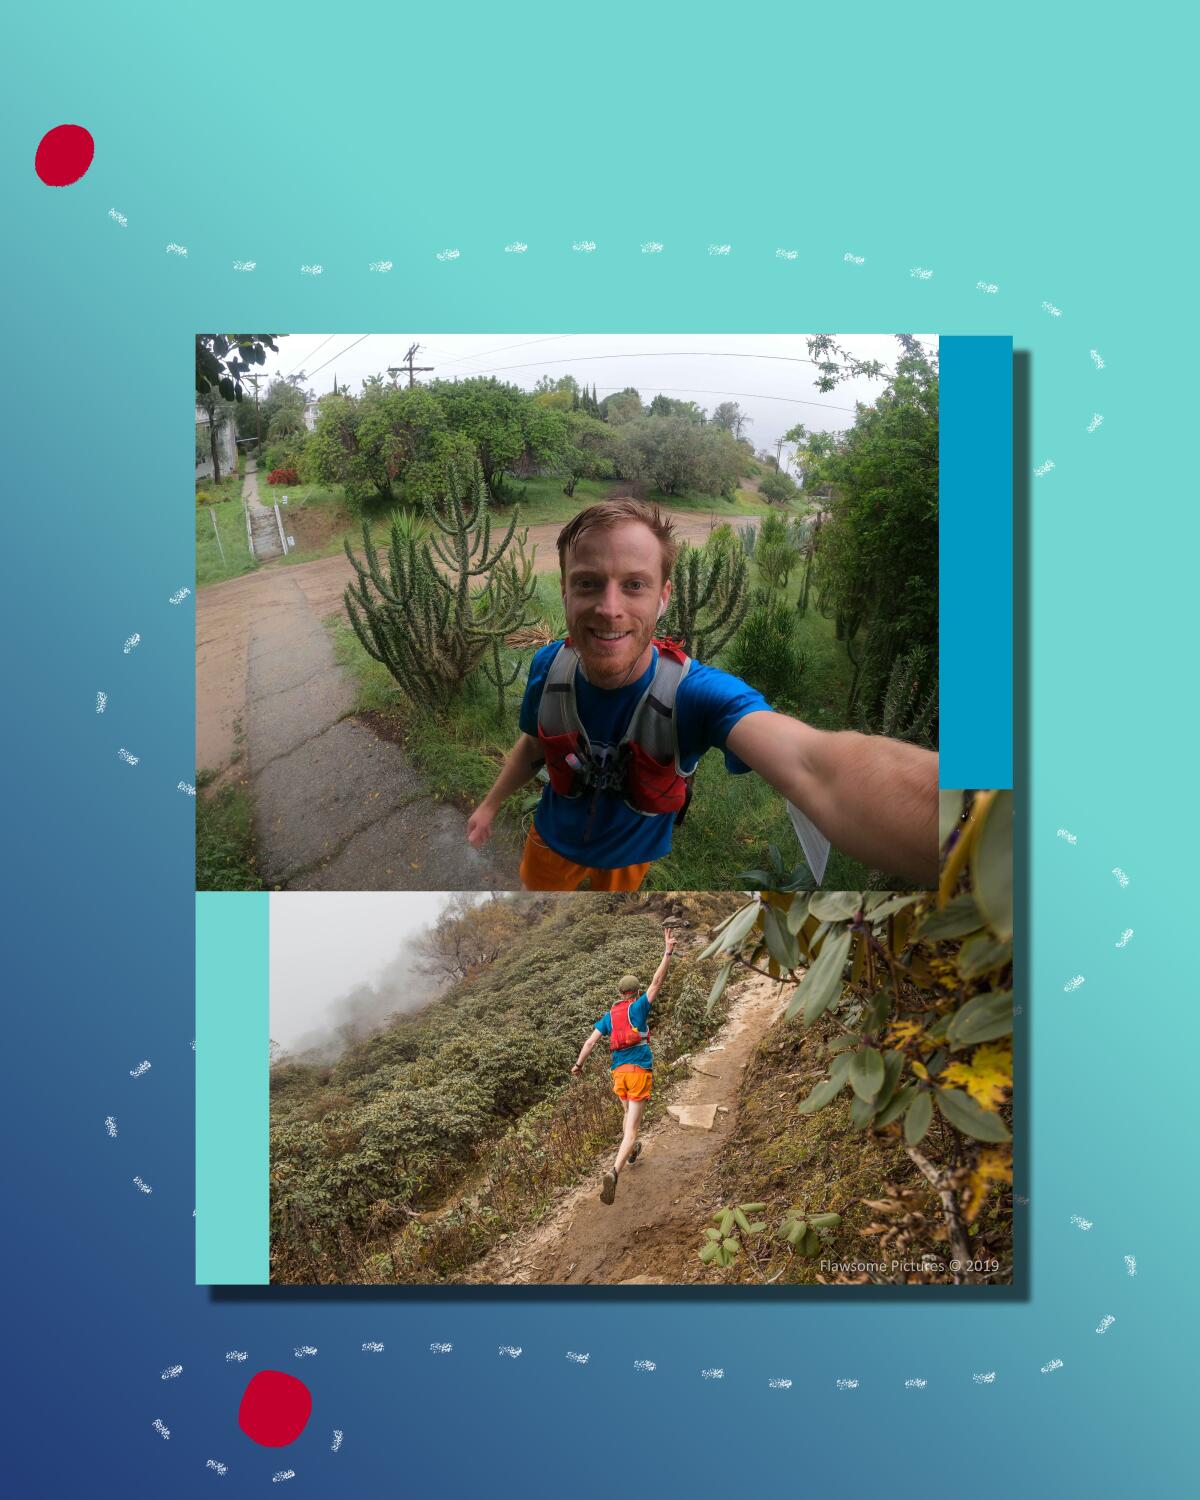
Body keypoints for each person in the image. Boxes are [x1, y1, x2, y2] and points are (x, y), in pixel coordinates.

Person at [466, 499, 938, 891]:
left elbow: (816, 766)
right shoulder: (548, 666)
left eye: (634, 585)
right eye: (588, 583)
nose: (610, 609)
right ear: (565, 592)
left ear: (664, 596)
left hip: (629, 858)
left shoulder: (697, 695)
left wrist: (978, 820)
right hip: (552, 841)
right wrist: (489, 805)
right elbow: (532, 747)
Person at [571, 928, 677, 1205]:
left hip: (618, 1074)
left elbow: (590, 1043)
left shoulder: (610, 1015)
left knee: (627, 1113)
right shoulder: (639, 1007)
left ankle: (631, 1151)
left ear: (620, 993)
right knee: (631, 1129)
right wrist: (667, 952)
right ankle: (614, 1172)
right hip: (639, 1071)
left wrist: (578, 1065)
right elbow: (657, 982)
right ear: (636, 992)